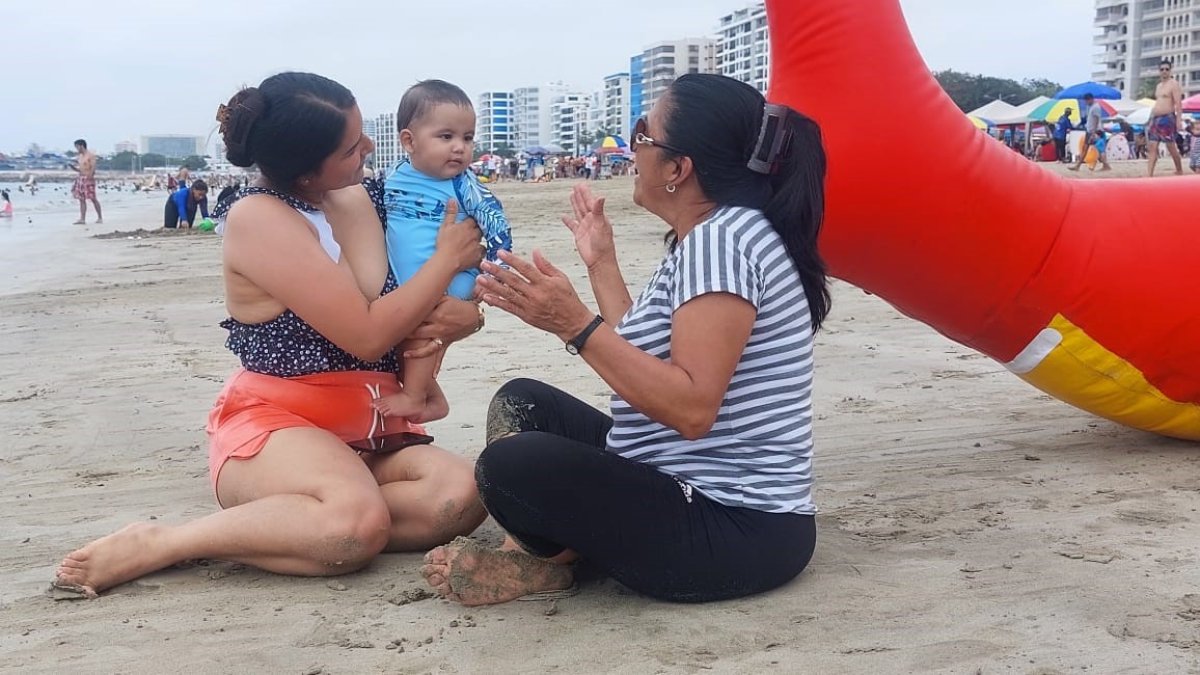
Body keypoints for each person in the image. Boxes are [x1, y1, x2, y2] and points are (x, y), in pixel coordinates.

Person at [53, 72, 489, 599]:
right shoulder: (259, 219)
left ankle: (314, 512)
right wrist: (446, 261)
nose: (370, 149)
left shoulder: (368, 196)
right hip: (281, 426)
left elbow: (428, 298)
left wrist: (468, 317)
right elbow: (369, 335)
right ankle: (166, 542)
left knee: (461, 494)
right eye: (352, 146)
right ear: (306, 171)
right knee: (351, 526)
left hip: (372, 425)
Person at [420, 74, 829, 606]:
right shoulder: (719, 234)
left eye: (642, 134)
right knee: (524, 402)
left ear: (678, 169)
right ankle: (552, 556)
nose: (634, 149)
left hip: (736, 528)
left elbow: (691, 408)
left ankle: (544, 560)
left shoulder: (722, 244)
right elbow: (647, 356)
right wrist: (602, 264)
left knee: (512, 466)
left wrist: (574, 324)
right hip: (686, 484)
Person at [372, 80, 512, 423]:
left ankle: (415, 396)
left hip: (450, 277)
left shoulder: (465, 185)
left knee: (420, 326)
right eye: (446, 137)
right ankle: (430, 396)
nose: (459, 148)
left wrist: (491, 276)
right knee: (404, 333)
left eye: (468, 138)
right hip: (415, 275)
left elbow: (497, 225)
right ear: (409, 141)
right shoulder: (392, 176)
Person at [1148, 59, 1185, 176]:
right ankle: (1149, 174)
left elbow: (1178, 103)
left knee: (1170, 146)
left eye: (1167, 69)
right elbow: (1158, 101)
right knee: (1152, 145)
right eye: (1162, 69)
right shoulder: (1159, 86)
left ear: (1170, 70)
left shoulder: (1173, 84)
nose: (1164, 71)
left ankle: (1179, 169)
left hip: (1167, 118)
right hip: (1156, 118)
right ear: (1159, 71)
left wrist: (1179, 120)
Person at [1069, 94, 1107, 172]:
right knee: (1086, 148)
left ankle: (1106, 165)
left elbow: (1096, 120)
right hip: (1091, 131)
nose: (1086, 103)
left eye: (1086, 101)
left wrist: (1094, 132)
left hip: (1095, 131)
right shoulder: (1092, 107)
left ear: (1090, 99)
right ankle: (1078, 165)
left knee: (1099, 148)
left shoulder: (1095, 107)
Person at [69, 139, 103, 224]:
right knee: (81, 199)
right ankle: (82, 219)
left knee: (93, 198)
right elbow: (81, 169)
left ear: (81, 146)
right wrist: (74, 169)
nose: (76, 149)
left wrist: (90, 177)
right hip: (81, 178)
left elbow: (93, 167)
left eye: (77, 147)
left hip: (88, 179)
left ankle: (100, 217)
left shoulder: (90, 156)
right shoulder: (80, 157)